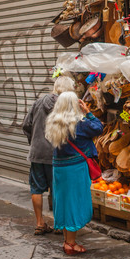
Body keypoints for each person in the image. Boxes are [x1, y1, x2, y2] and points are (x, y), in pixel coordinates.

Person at [44, 91, 104, 255]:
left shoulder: (53, 123)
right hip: (75, 168)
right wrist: (88, 112)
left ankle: (67, 241)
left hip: (59, 168)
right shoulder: (80, 124)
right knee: (74, 204)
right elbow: (99, 127)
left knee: (63, 203)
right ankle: (71, 243)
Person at [23, 75, 76, 236]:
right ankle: (59, 225)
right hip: (58, 154)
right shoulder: (67, 105)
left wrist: (34, 141)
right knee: (57, 190)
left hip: (37, 153)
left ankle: (40, 223)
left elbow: (26, 124)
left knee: (37, 188)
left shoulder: (39, 102)